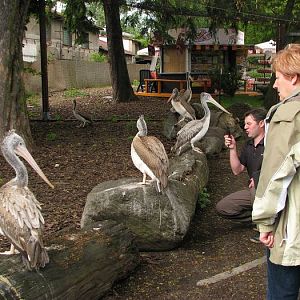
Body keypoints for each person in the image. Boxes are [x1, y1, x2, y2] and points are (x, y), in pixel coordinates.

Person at [252, 44, 300, 300]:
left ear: (293, 77)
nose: (274, 84)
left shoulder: (288, 115)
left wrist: (265, 224)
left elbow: (275, 175)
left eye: (278, 77)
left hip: (292, 233)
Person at [216, 108, 266, 241]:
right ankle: (259, 219)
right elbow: (237, 170)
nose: (245, 127)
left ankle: (265, 228)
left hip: (270, 191)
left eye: (249, 124)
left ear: (261, 124)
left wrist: (258, 177)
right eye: (245, 124)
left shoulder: (273, 143)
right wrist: (233, 148)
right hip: (254, 193)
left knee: (257, 189)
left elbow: (280, 167)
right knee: (223, 207)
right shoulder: (248, 145)